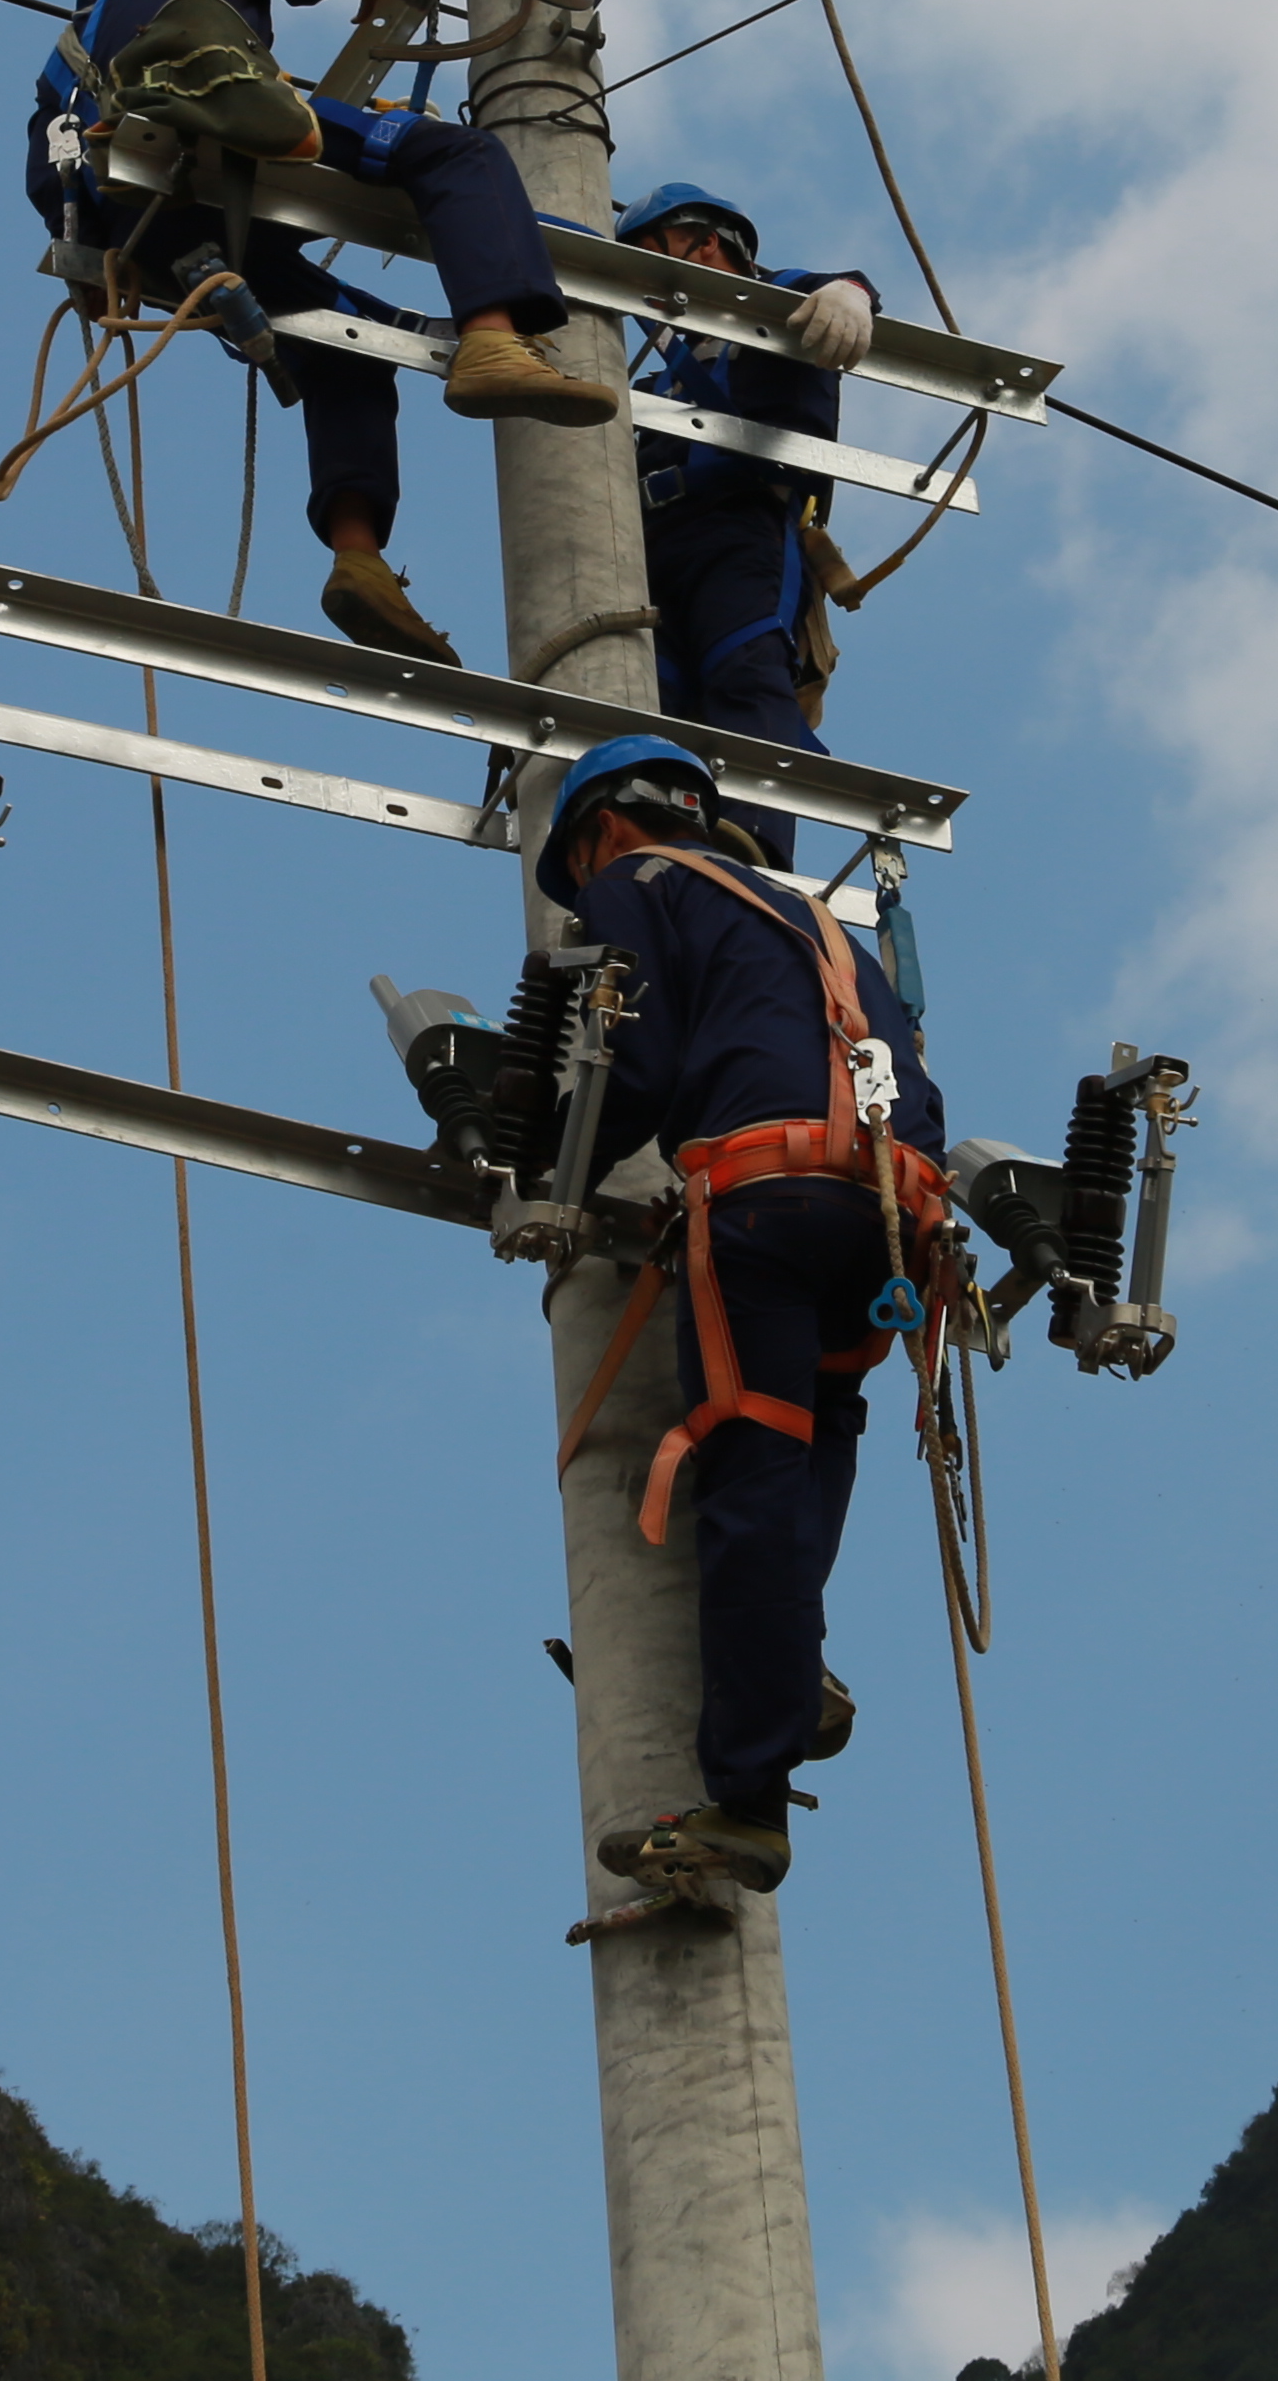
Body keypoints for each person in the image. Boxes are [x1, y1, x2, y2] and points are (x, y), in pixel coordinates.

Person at [539, 732, 947, 1898]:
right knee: (813, 1424)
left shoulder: (637, 884)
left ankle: (749, 1799)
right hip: (889, 1208)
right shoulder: (821, 922)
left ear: (603, 828)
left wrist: (545, 1171)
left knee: (753, 1450)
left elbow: (638, 1066)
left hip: (764, 1199)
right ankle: (788, 1657)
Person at [30, 0, 620, 664]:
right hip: (198, 141)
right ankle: (494, 339)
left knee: (342, 350)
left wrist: (91, 266)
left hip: (143, 230)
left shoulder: (61, 71)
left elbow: (46, 182)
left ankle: (360, 560)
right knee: (453, 154)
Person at [614, 183, 882, 864]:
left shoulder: (775, 305)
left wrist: (852, 294)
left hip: (744, 529)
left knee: (743, 670)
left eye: (649, 255)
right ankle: (659, 855)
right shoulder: (660, 380)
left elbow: (837, 286)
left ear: (705, 244)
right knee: (657, 701)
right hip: (649, 543)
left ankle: (752, 849)